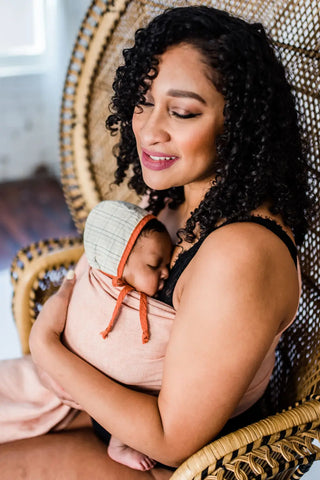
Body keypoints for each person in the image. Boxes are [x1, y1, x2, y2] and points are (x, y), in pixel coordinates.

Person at [0, 5, 313, 479]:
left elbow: (171, 439)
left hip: (159, 464)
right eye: (143, 101)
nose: (148, 129)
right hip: (99, 420)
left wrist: (48, 348)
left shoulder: (241, 254)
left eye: (183, 111)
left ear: (240, 124)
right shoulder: (182, 198)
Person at [0, 199, 173, 472]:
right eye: (154, 266)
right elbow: (108, 234)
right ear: (117, 264)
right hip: (48, 367)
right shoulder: (100, 271)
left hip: (98, 389)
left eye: (166, 263)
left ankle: (118, 444)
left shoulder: (142, 304)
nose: (165, 271)